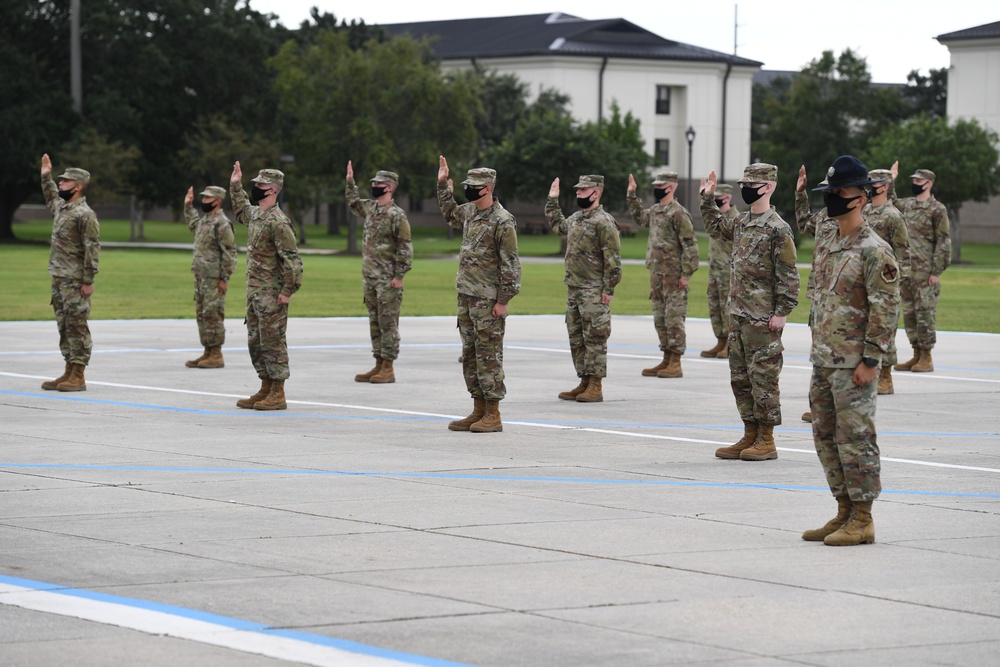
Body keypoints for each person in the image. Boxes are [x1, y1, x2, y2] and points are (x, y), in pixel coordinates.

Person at [803, 155, 899, 546]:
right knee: (825, 438)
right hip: (824, 359)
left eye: (839, 192)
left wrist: (873, 359)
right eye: (830, 192)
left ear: (860, 197)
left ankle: (863, 518)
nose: (832, 199)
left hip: (854, 364)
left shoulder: (875, 250)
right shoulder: (828, 241)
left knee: (856, 439)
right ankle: (843, 510)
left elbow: (886, 309)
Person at [700, 164, 799, 461]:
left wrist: (782, 311)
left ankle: (767, 440)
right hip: (740, 315)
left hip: (763, 318)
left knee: (764, 379)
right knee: (740, 378)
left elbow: (789, 274)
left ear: (767, 187)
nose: (746, 189)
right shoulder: (742, 222)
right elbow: (716, 227)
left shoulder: (778, 227)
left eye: (751, 184)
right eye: (744, 183)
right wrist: (707, 199)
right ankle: (750, 433)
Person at [437, 156, 521, 432]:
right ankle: (478, 409)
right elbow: (450, 213)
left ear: (488, 188)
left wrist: (503, 300)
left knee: (489, 355)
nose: (469, 190)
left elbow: (510, 263)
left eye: (474, 186)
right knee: (471, 354)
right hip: (467, 295)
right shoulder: (470, 212)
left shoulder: (503, 220)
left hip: (488, 300)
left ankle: (493, 413)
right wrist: (442, 185)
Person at [230, 163, 303, 411]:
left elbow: (292, 261)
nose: (256, 188)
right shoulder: (257, 215)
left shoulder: (279, 223)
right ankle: (265, 386)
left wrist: (286, 291)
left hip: (272, 294)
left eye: (260, 185)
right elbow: (241, 210)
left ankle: (278, 392)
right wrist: (235, 185)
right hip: (255, 292)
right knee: (256, 341)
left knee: (273, 341)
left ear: (272, 190)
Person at [546, 175, 623, 402]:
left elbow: (613, 259)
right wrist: (552, 200)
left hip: (594, 290)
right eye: (577, 190)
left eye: (583, 191)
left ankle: (596, 385)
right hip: (575, 288)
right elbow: (559, 226)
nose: (578, 193)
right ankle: (584, 381)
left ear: (596, 193)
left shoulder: (604, 222)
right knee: (576, 337)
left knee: (595, 337)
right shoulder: (577, 218)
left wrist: (609, 288)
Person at [626, 171, 698, 377]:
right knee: (660, 318)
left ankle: (676, 362)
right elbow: (641, 218)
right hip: (656, 274)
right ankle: (666, 358)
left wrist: (686, 274)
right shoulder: (656, 211)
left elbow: (690, 246)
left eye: (661, 185)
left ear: (671, 187)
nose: (657, 189)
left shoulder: (678, 213)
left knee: (674, 318)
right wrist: (632, 196)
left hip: (674, 276)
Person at [346, 162, 413, 384]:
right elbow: (354, 204)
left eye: (379, 183)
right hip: (370, 277)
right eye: (373, 183)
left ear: (390, 187)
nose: (374, 186)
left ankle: (389, 367)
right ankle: (378, 363)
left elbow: (404, 247)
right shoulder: (371, 209)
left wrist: (399, 276)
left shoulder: (397, 215)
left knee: (388, 323)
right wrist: (350, 184)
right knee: (374, 321)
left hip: (388, 279)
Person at [38, 155, 100, 392]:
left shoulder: (85, 214)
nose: (61, 184)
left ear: (78, 186)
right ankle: (68, 370)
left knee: (77, 325)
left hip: (75, 279)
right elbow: (50, 195)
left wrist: (88, 280)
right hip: (59, 277)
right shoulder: (62, 207)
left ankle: (79, 374)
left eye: (65, 182)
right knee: (64, 325)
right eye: (60, 181)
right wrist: (46, 175)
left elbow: (92, 249)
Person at [891, 165, 951, 373]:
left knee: (925, 314)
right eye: (914, 181)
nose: (915, 184)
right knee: (909, 314)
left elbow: (943, 241)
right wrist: (892, 180)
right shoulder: (908, 205)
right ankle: (916, 353)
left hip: (926, 272)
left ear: (929, 183)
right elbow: (890, 202)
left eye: (919, 182)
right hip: (907, 270)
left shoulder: (937, 209)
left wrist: (936, 271)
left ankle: (927, 356)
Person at [794, 166, 836, 423]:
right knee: (819, 353)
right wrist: (800, 194)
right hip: (819, 295)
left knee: (837, 352)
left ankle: (837, 406)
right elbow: (803, 225)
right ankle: (820, 405)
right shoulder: (823, 216)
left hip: (840, 297)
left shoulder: (861, 219)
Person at [864, 168, 910, 394]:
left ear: (884, 186)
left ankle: (886, 377)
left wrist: (898, 284)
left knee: (886, 327)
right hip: (864, 277)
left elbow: (903, 252)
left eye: (872, 182)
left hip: (886, 279)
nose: (869, 186)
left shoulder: (893, 215)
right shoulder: (863, 210)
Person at [182, 185, 237, 369]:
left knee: (213, 314)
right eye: (203, 198)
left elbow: (229, 253)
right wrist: (188, 207)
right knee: (202, 314)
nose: (204, 201)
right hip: (201, 277)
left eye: (207, 198)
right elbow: (193, 225)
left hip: (214, 278)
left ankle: (217, 354)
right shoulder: (206, 221)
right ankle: (207, 351)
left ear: (218, 201)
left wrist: (225, 278)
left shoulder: (222, 223)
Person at [701, 183, 736, 359]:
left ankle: (730, 344)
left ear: (728, 198)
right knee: (715, 308)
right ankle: (721, 341)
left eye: (719, 196)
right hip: (714, 271)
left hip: (728, 272)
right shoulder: (715, 219)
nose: (716, 200)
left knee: (727, 308)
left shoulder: (734, 218)